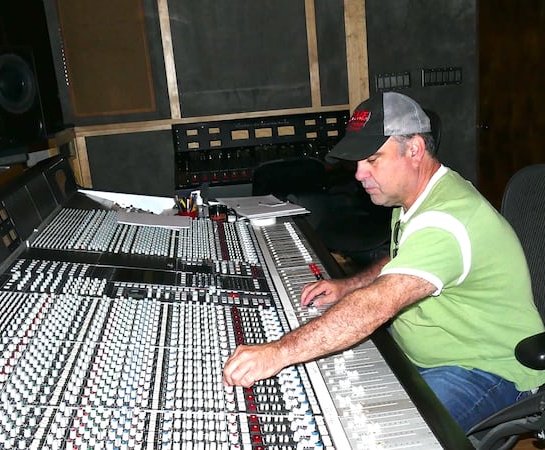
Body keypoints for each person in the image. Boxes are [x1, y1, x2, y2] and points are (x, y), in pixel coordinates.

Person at [222, 91, 545, 432]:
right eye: (357, 162)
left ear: (415, 150)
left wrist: (278, 352)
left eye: (373, 159)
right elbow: (400, 256)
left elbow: (377, 305)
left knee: (382, 435)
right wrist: (348, 285)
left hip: (486, 369)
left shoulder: (448, 219)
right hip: (423, 356)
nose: (359, 174)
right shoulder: (415, 197)